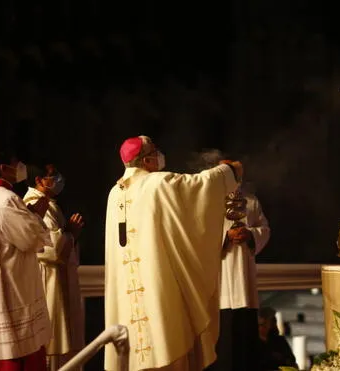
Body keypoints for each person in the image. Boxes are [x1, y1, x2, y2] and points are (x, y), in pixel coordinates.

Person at [104, 136, 243, 371]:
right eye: (156, 151)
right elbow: (199, 188)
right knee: (165, 343)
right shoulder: (157, 183)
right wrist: (228, 170)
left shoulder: (115, 193)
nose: (160, 156)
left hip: (127, 297)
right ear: (147, 159)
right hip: (157, 285)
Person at [0, 149, 52, 370]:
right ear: (3, 168)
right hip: (7, 285)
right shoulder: (6, 198)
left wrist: (28, 215)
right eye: (16, 162)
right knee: (14, 349)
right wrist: (37, 215)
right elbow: (31, 239)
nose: (21, 166)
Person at [196, 150, 271, 371]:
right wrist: (224, 237)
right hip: (218, 283)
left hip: (244, 282)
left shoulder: (250, 201)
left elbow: (264, 228)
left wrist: (250, 235)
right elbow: (197, 235)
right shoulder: (206, 202)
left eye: (236, 173)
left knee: (244, 349)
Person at [24, 164, 85, 370]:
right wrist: (71, 234)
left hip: (56, 278)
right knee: (51, 342)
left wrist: (67, 234)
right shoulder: (34, 205)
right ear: (39, 181)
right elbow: (50, 249)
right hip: (46, 279)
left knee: (61, 342)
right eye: (52, 176)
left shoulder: (49, 205)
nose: (58, 179)